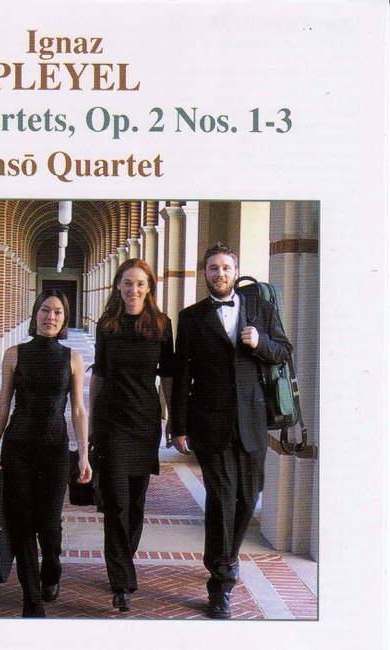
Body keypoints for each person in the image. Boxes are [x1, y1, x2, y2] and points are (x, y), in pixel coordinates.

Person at [171, 243, 293, 619]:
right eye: (213, 268)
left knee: (247, 498)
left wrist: (260, 343)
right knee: (222, 499)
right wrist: (178, 427)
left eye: (225, 267)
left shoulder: (259, 308)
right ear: (205, 273)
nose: (220, 273)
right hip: (210, 424)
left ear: (235, 271)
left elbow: (284, 350)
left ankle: (228, 558)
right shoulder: (190, 318)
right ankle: (221, 581)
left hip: (253, 421)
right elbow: (181, 377)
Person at [0, 289, 92, 618]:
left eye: (58, 312)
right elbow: (3, 403)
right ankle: (31, 600)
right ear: (35, 314)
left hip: (55, 449)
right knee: (22, 523)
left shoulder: (72, 358)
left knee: (49, 523)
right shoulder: (14, 354)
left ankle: (52, 570)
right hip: (17, 447)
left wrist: (84, 455)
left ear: (65, 319)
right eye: (45, 310)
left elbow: (78, 410)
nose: (51, 317)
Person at [89, 258, 174, 613]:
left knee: (136, 503)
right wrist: (90, 425)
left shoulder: (162, 325)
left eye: (140, 283)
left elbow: (167, 375)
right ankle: (121, 582)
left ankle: (122, 561)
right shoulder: (107, 325)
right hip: (111, 422)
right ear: (118, 286)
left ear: (149, 287)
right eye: (127, 283)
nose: (133, 289)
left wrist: (172, 418)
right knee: (117, 502)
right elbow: (99, 374)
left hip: (145, 421)